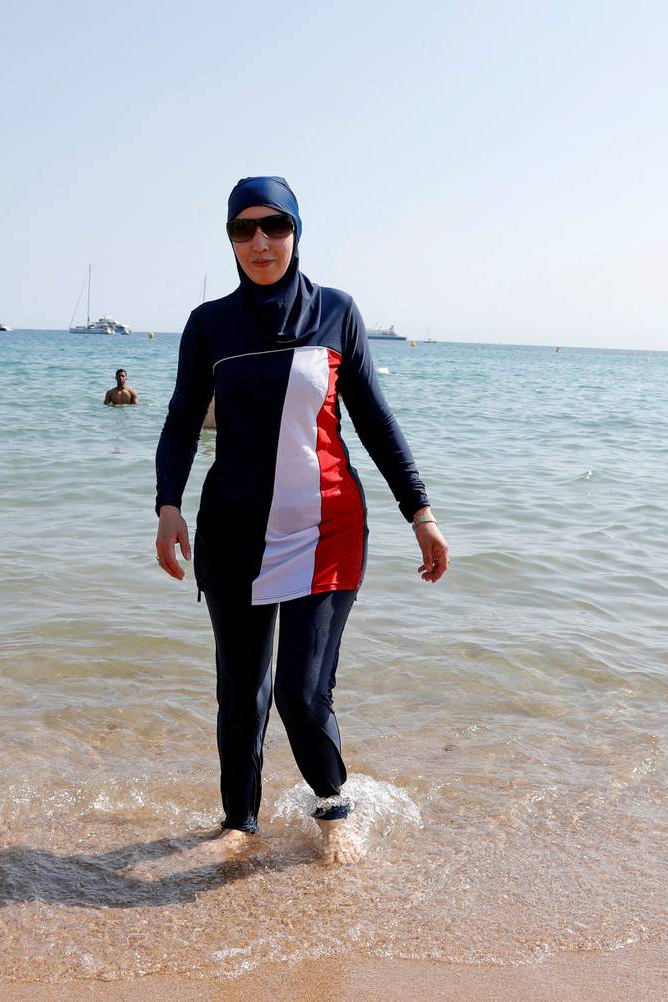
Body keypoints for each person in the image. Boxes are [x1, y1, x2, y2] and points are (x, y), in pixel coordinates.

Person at [154, 176, 449, 866]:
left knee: (301, 690)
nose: (260, 241)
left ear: (297, 232)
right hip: (233, 532)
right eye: (243, 229)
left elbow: (374, 418)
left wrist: (421, 512)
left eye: (275, 226)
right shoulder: (209, 326)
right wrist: (168, 503)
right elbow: (177, 422)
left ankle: (332, 805)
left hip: (328, 529)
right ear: (230, 238)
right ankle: (239, 823)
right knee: (241, 690)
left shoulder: (336, 313)